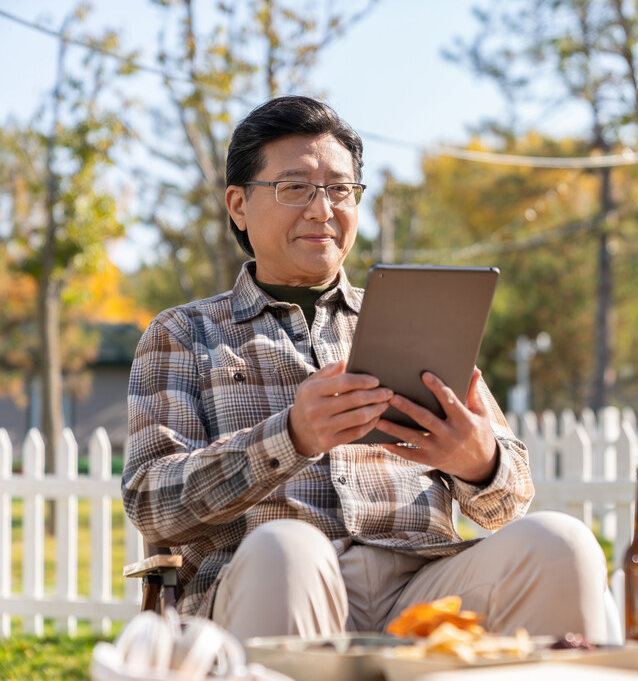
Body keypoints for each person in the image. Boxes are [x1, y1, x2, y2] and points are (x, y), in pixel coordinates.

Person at [122, 95, 610, 643]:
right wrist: (290, 437)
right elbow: (151, 504)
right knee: (290, 548)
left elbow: (510, 501)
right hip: (273, 582)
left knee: (560, 545)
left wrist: (478, 461)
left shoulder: (422, 318)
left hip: (424, 584)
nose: (321, 209)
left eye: (340, 189)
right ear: (238, 205)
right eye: (295, 188)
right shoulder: (183, 335)